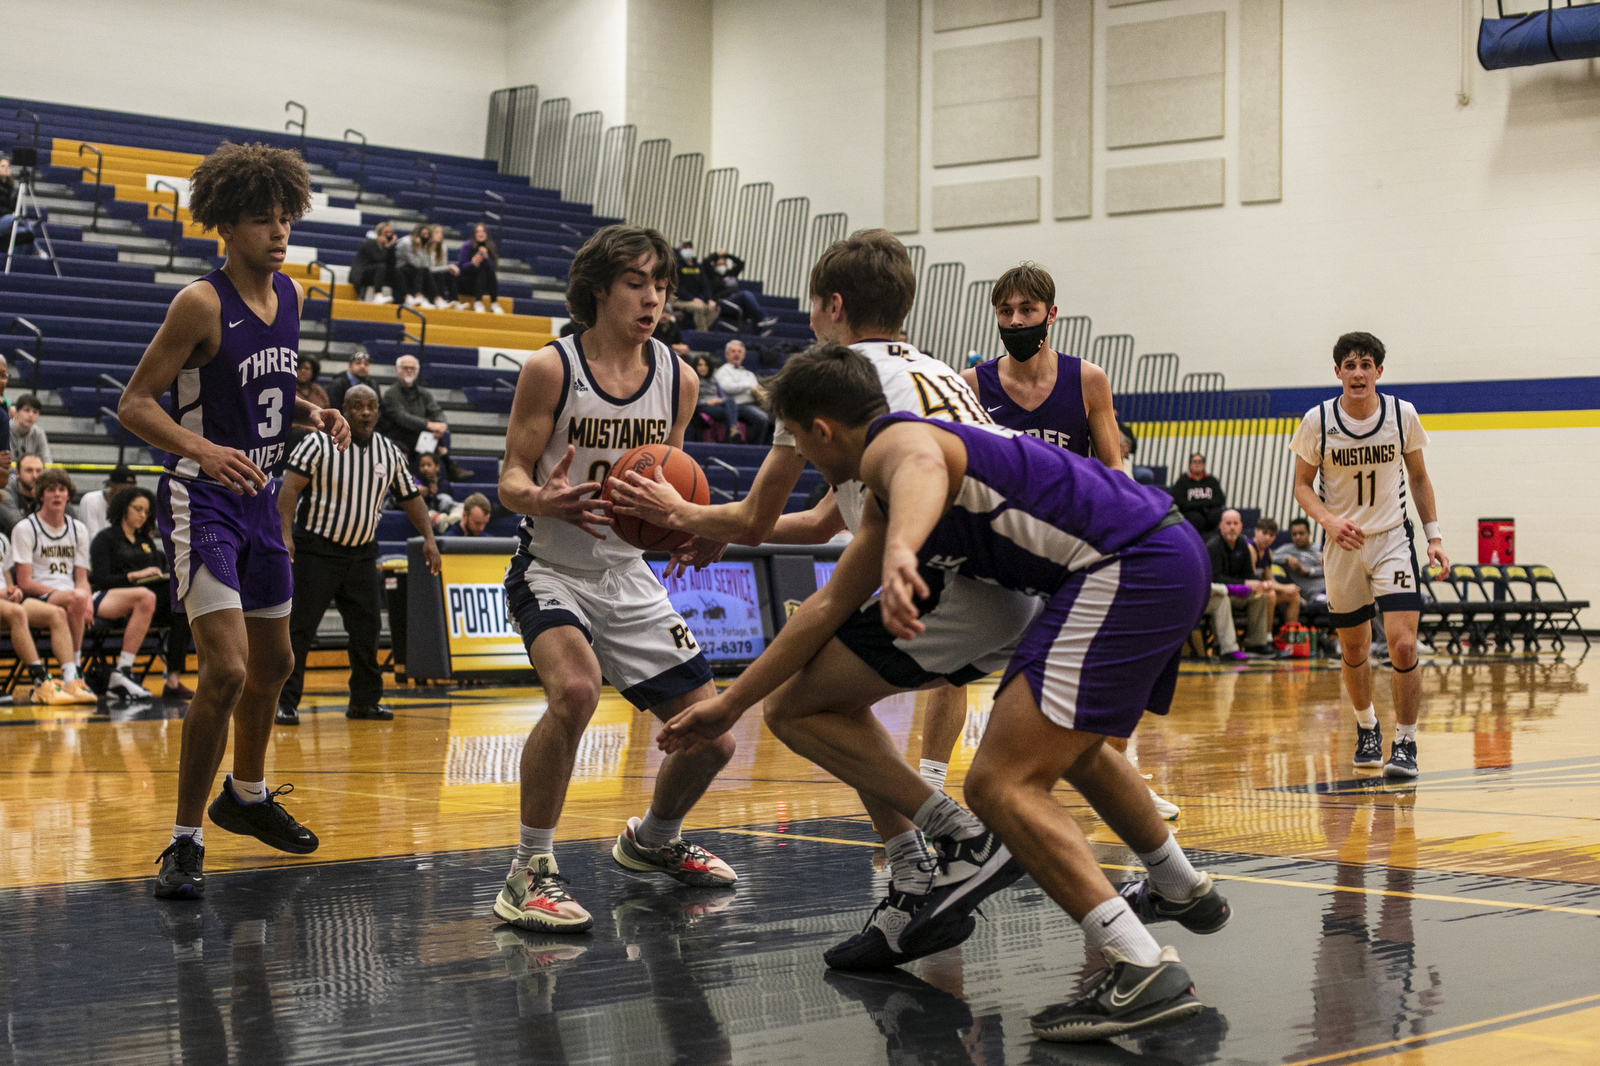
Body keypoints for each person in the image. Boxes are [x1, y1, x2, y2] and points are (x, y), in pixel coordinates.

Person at [660, 345, 1224, 1043]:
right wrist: (729, 703)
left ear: (821, 429)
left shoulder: (896, 445)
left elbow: (924, 467)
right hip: (1153, 555)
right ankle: (1175, 885)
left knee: (1000, 784)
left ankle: (1140, 965)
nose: (799, 452)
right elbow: (829, 604)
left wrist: (904, 552)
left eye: (797, 439)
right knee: (1062, 754)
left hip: (1126, 567)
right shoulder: (880, 489)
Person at [609, 230, 1038, 970]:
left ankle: (956, 835)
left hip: (952, 573)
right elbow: (816, 522)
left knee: (792, 707)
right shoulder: (942, 372)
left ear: (833, 306)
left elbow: (754, 520)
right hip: (1022, 576)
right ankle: (923, 880)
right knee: (840, 699)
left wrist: (677, 512)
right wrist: (713, 527)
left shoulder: (826, 380)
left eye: (814, 305)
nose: (809, 318)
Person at [118, 141, 350, 902]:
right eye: (261, 220)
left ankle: (244, 798)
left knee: (277, 666)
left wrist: (310, 412)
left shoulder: (292, 297)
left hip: (258, 497)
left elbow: (266, 398)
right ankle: (184, 842)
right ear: (225, 224)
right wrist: (203, 450)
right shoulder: (199, 302)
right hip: (200, 494)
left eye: (285, 218)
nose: (279, 232)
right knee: (227, 668)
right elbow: (136, 403)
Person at [492, 223, 736, 935]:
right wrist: (539, 497)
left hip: (628, 576)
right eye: (637, 282)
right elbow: (509, 476)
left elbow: (675, 484)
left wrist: (699, 527)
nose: (653, 297)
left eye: (661, 284)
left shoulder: (678, 377)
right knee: (574, 690)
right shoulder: (551, 368)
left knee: (714, 737)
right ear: (599, 289)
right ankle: (529, 871)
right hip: (554, 569)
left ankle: (653, 841)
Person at [950, 262, 1181, 822]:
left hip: (1066, 549)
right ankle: (933, 785)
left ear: (1051, 315)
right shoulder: (972, 382)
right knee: (951, 666)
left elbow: (1115, 468)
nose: (1014, 320)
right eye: (1005, 311)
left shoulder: (1088, 380)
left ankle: (1123, 783)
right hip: (999, 544)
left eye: (1026, 310)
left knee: (1128, 657)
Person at [1291, 331, 1448, 779]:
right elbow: (1302, 486)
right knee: (1355, 647)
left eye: (1366, 365)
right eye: (1349, 365)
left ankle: (1406, 741)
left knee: (1401, 644)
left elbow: (1418, 477)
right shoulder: (1317, 421)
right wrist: (1329, 522)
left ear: (1379, 371)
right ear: (1337, 371)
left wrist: (1434, 537)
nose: (1358, 373)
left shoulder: (1403, 414)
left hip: (1392, 540)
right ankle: (1366, 727)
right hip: (1342, 546)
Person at [277, 383, 441, 725]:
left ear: (378, 412)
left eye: (371, 406)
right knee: (299, 630)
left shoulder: (390, 452)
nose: (365, 412)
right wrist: (285, 536)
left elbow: (411, 498)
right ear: (345, 409)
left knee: (368, 632)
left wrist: (429, 536)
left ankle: (365, 702)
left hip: (362, 555)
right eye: (357, 406)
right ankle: (284, 702)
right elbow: (289, 488)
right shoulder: (318, 442)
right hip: (316, 550)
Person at [91, 486, 195, 699]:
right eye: (137, 508)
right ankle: (124, 670)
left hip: (150, 601)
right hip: (114, 598)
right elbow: (99, 580)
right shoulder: (105, 539)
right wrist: (134, 576)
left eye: (146, 511)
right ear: (123, 508)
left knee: (183, 608)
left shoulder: (146, 542)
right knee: (158, 596)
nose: (142, 515)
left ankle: (173, 680)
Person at [11, 470, 101, 700]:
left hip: (68, 599)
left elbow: (82, 578)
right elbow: (25, 582)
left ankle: (70, 676)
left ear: (69, 495)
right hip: (34, 598)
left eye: (61, 489)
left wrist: (86, 597)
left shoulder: (78, 529)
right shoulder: (25, 528)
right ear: (41, 495)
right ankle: (76, 669)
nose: (57, 495)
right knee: (75, 599)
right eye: (50, 490)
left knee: (74, 602)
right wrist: (72, 595)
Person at [0, 523, 80, 706]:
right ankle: (41, 681)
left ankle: (71, 679)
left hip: (6, 604)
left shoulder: (2, 540)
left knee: (56, 613)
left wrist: (15, 592)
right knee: (17, 612)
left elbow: (8, 581)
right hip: (8, 607)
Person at [380, 354, 469, 482]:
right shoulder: (391, 394)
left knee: (436, 434)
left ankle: (435, 482)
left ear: (417, 372)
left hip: (419, 437)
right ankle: (449, 466)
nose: (409, 371)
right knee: (430, 433)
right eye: (405, 368)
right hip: (399, 437)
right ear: (398, 370)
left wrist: (441, 424)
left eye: (412, 368)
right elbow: (402, 417)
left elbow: (436, 410)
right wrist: (429, 425)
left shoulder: (423, 393)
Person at [1205, 509, 1277, 660]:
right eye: (1228, 523)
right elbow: (1216, 578)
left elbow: (1248, 575)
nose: (1232, 527)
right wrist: (1245, 582)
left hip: (1239, 593)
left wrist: (1257, 584)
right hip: (1220, 592)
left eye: (1235, 523)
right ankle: (1223, 647)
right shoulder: (1213, 546)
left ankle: (1255, 643)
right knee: (1222, 598)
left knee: (1260, 595)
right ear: (1221, 526)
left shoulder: (1242, 545)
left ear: (1241, 526)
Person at [711, 340, 770, 444]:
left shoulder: (749, 373)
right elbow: (727, 388)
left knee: (773, 418)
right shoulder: (723, 371)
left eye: (739, 352)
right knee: (762, 418)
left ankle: (763, 448)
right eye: (733, 351)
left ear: (743, 355)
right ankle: (752, 447)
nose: (736, 354)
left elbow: (756, 389)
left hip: (752, 404)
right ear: (726, 355)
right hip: (735, 405)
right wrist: (748, 386)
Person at [706, 250, 776, 333]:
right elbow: (706, 263)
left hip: (735, 300)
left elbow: (740, 264)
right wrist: (716, 254)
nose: (722, 266)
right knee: (745, 294)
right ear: (715, 265)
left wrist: (728, 255)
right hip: (722, 302)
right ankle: (763, 318)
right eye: (720, 264)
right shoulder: (712, 275)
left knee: (749, 307)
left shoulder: (730, 273)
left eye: (724, 264)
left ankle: (758, 332)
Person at [1251, 517, 1301, 627]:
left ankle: (1290, 637)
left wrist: (1288, 588)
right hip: (1247, 590)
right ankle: (1267, 637)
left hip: (1260, 590)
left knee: (1293, 595)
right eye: (1264, 533)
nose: (1268, 538)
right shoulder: (1250, 548)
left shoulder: (1267, 552)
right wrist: (1285, 587)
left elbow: (1268, 580)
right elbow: (1252, 581)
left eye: (1272, 535)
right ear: (1256, 531)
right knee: (1271, 595)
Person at [78, 465, 139, 542]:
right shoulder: (90, 500)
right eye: (123, 490)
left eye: (131, 492)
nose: (126, 496)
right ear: (110, 485)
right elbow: (92, 540)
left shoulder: (130, 506)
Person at [1169, 453, 1224, 536]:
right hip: (1191, 514)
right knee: (1196, 518)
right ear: (1190, 465)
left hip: (1209, 515)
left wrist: (1199, 504)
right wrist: (1202, 505)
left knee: (1216, 514)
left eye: (1200, 462)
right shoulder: (1182, 481)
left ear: (1204, 465)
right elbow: (1178, 501)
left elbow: (1220, 499)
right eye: (1194, 462)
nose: (1197, 465)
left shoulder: (1212, 480)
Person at [672, 240, 717, 331]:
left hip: (696, 299)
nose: (688, 250)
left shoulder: (698, 267)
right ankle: (702, 335)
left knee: (715, 308)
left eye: (689, 247)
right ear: (680, 250)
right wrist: (691, 298)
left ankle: (698, 331)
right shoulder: (677, 266)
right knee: (699, 308)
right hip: (679, 299)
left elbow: (705, 285)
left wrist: (709, 299)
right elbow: (677, 287)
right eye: (685, 247)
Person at [395, 223, 440, 309]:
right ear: (417, 234)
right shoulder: (406, 242)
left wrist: (424, 248)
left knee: (426, 271)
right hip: (399, 268)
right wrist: (420, 248)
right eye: (423, 234)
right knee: (421, 270)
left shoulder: (423, 245)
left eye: (427, 235)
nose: (425, 237)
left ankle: (436, 299)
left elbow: (426, 265)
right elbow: (415, 263)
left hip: (412, 269)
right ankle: (418, 296)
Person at [459, 223, 502, 313]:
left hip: (483, 282)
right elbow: (461, 268)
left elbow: (493, 268)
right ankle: (478, 302)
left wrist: (486, 257)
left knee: (487, 271)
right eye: (478, 231)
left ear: (486, 234)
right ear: (474, 234)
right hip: (467, 281)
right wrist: (472, 263)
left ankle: (494, 303)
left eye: (483, 231)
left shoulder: (490, 246)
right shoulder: (468, 245)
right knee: (482, 271)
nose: (480, 234)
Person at [351, 221, 398, 304]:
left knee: (398, 272)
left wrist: (390, 247)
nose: (389, 235)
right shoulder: (370, 243)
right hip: (361, 274)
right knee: (381, 266)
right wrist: (387, 247)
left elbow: (392, 264)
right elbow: (378, 259)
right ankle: (377, 295)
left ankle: (405, 299)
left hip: (376, 274)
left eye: (391, 233)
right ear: (379, 234)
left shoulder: (387, 248)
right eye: (386, 233)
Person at [690, 355, 733, 441]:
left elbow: (722, 395)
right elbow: (691, 401)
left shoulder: (713, 379)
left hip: (717, 404)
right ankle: (730, 436)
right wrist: (707, 402)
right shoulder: (692, 380)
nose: (703, 368)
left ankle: (733, 430)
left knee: (730, 402)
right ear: (695, 366)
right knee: (729, 413)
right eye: (700, 365)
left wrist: (720, 400)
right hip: (703, 406)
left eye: (706, 365)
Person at [0, 454, 43, 531]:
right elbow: (21, 529)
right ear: (17, 474)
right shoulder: (4, 493)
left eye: (38, 471)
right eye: (29, 470)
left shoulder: (50, 492)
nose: (35, 476)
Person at [413, 451, 455, 525]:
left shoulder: (444, 484)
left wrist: (435, 494)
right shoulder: (415, 483)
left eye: (429, 465)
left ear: (437, 467)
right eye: (422, 465)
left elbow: (447, 502)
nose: (425, 468)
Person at [10, 394, 51, 465]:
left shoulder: (39, 433)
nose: (31, 415)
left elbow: (47, 461)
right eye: (26, 410)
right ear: (16, 412)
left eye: (35, 412)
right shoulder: (4, 430)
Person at [425, 224, 459, 306]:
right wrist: (447, 267)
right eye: (436, 232)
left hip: (438, 274)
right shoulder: (425, 248)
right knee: (440, 274)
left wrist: (449, 269)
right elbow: (429, 269)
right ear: (430, 234)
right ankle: (440, 300)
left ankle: (454, 302)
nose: (440, 235)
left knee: (450, 274)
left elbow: (443, 266)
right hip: (427, 275)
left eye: (441, 233)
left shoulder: (443, 247)